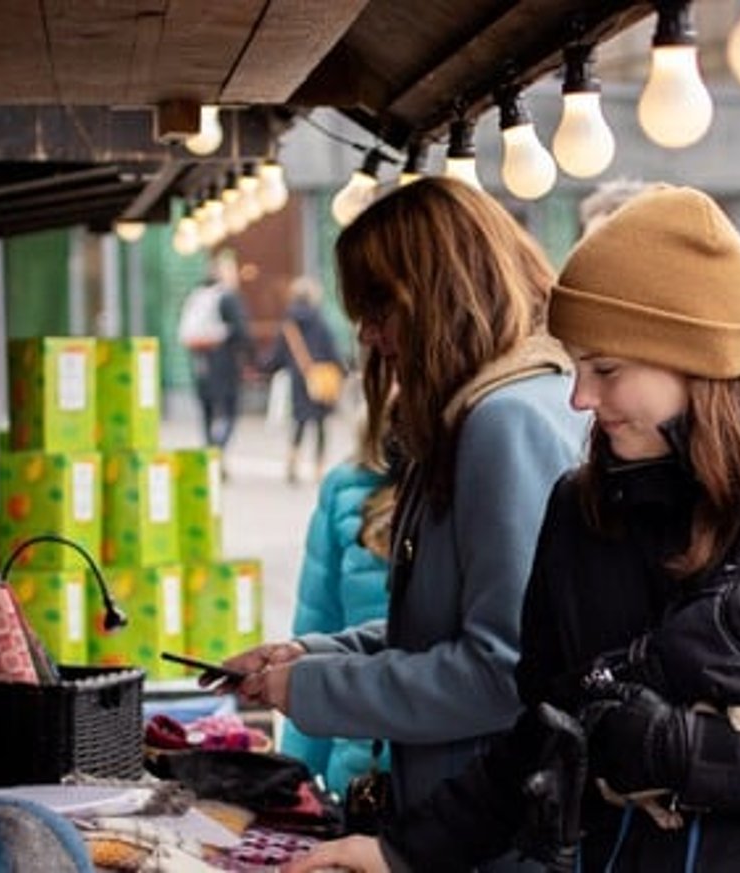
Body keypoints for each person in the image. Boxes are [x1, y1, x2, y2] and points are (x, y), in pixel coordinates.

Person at [288, 185, 740, 872]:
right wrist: (405, 851)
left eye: (605, 369)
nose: (580, 397)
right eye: (577, 366)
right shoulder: (582, 506)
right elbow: (546, 728)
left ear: (697, 359)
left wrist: (692, 752)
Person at [222, 178, 590, 866]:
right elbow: (457, 624)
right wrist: (317, 655)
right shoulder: (494, 407)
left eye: (378, 308)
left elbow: (501, 670)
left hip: (488, 839)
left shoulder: (501, 423)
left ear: (439, 295)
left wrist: (313, 688)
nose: (367, 334)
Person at [276, 369, 398, 795]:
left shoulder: (470, 481)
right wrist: (292, 780)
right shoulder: (345, 488)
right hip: (358, 776)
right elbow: (314, 633)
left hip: (448, 779)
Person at [265, 276, 345, 482]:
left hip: (298, 380)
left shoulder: (288, 324)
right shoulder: (320, 321)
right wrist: (343, 371)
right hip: (320, 379)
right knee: (320, 425)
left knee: (299, 422)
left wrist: (265, 368)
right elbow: (332, 351)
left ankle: (292, 462)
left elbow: (278, 355)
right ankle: (318, 468)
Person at [178, 252, 252, 452]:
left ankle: (209, 451)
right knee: (229, 409)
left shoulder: (198, 294)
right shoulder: (228, 297)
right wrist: (250, 359)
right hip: (225, 363)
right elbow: (242, 332)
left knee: (207, 409)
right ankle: (217, 452)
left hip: (201, 361)